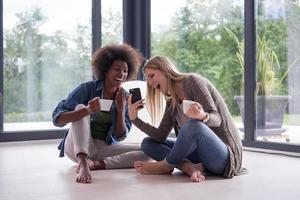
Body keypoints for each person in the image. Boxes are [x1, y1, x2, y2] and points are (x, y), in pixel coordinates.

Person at [128, 56, 246, 182]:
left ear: (164, 70)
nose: (150, 83)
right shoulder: (171, 103)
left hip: (225, 157)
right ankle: (189, 167)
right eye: (147, 79)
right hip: (200, 157)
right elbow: (160, 136)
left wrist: (202, 116)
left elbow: (217, 119)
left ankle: (167, 165)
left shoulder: (193, 81)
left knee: (193, 125)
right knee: (148, 143)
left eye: (151, 76)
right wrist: (135, 119)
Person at [52, 44, 150, 184]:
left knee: (148, 150)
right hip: (76, 147)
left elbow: (119, 136)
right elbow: (57, 118)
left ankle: (98, 164)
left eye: (125, 71)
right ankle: (83, 162)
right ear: (105, 70)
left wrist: (121, 110)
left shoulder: (124, 96)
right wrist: (87, 110)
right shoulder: (86, 89)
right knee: (80, 108)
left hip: (102, 147)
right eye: (117, 69)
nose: (122, 74)